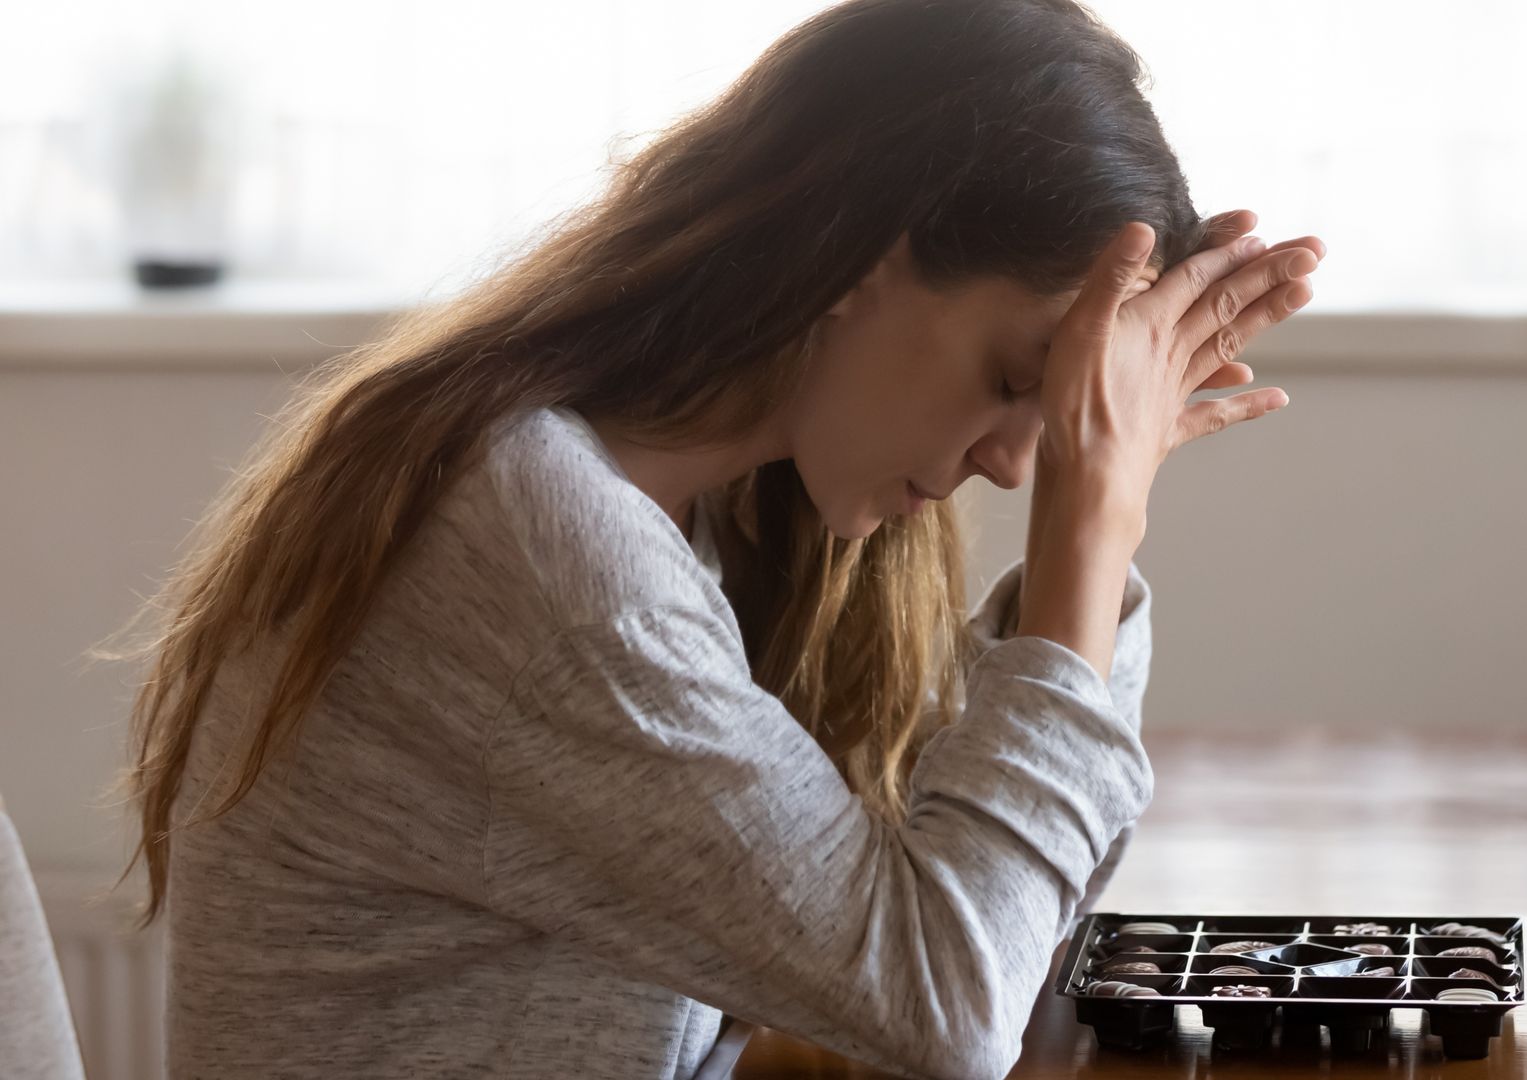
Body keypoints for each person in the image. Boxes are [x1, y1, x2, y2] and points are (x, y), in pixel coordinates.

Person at [94, 1, 1321, 1077]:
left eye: (1054, 419)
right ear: (853, 254)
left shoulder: (723, 509)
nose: (1016, 461)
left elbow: (1002, 925)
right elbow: (949, 1007)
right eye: (1017, 379)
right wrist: (1089, 527)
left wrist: (1092, 543)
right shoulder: (544, 547)